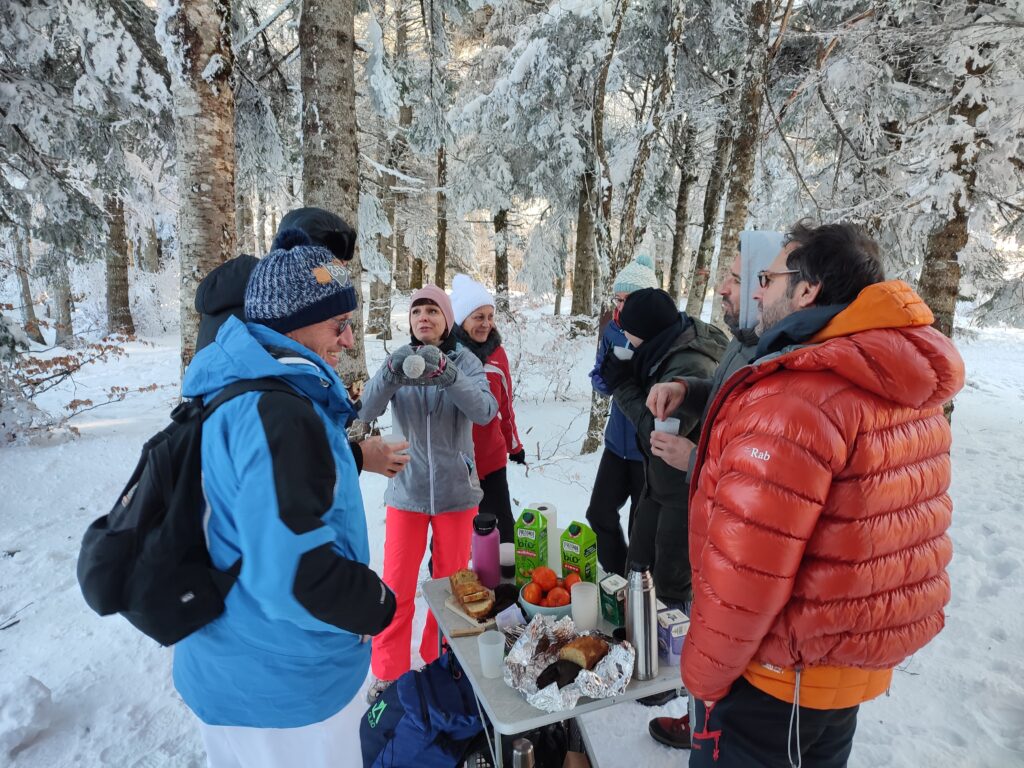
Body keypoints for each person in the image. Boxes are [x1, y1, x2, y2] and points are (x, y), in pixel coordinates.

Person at [681, 221, 965, 767]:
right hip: (839, 676)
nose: (757, 291)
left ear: (807, 290)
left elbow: (748, 572)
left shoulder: (797, 399)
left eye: (767, 277)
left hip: (777, 683)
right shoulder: (898, 383)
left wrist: (704, 676)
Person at [174, 228, 397, 767]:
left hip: (231, 669)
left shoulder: (237, 388)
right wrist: (376, 604)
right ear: (289, 326)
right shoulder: (277, 414)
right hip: (284, 691)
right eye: (339, 325)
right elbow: (294, 579)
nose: (348, 341)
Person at [644, 231, 782, 750]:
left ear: (763, 286)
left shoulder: (776, 358)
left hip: (736, 529)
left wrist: (694, 460)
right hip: (711, 523)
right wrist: (686, 391)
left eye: (734, 278)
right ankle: (700, 715)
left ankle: (715, 730)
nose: (721, 288)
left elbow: (763, 469)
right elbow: (723, 397)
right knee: (709, 622)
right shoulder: (744, 344)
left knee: (727, 630)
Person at [193, 207, 408, 480]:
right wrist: (357, 456)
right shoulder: (259, 322)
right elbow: (278, 461)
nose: (336, 277)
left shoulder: (274, 317)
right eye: (331, 268)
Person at [359, 285, 498, 701]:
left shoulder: (465, 360)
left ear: (447, 320)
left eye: (433, 311)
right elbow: (364, 411)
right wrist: (389, 372)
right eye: (417, 311)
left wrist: (448, 375)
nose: (424, 317)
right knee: (397, 586)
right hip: (408, 490)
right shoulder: (399, 361)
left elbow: (485, 411)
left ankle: (441, 661)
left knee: (450, 588)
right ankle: (388, 671)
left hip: (456, 492)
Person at [598, 288, 727, 608]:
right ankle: (634, 641)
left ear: (648, 333)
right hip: (659, 486)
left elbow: (659, 432)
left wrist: (623, 385)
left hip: (684, 495)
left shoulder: (692, 363)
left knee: (669, 588)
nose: (630, 344)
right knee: (637, 573)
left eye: (631, 337)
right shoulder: (667, 343)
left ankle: (670, 654)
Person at [585, 254, 659, 576]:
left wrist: (633, 377)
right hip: (617, 444)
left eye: (626, 299)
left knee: (640, 530)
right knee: (599, 514)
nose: (620, 305)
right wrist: (605, 377)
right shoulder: (612, 329)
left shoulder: (662, 334)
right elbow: (600, 380)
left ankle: (636, 586)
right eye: (617, 298)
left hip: (647, 450)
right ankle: (618, 575)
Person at [450, 273, 525, 542]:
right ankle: (447, 578)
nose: (486, 324)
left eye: (490, 316)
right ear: (461, 320)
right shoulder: (448, 356)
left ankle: (508, 580)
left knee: (504, 528)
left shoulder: (498, 354)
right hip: (457, 463)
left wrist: (514, 445)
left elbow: (505, 406)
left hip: (492, 459)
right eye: (478, 317)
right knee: (455, 534)